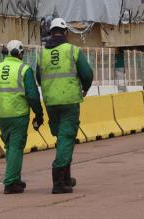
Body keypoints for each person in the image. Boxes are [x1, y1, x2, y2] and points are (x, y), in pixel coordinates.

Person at [36, 18, 93, 194]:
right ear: (65, 33)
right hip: (69, 101)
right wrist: (85, 88)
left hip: (51, 101)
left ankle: (66, 177)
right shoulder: (72, 50)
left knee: (61, 138)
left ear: (51, 32)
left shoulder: (41, 54)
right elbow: (87, 74)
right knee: (67, 138)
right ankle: (59, 181)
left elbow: (39, 77)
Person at [0, 40, 44, 194]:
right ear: (19, 53)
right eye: (22, 53)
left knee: (10, 147)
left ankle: (15, 179)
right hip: (18, 114)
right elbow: (33, 96)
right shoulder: (24, 69)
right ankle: (10, 183)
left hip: (1, 115)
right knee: (16, 147)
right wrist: (39, 114)